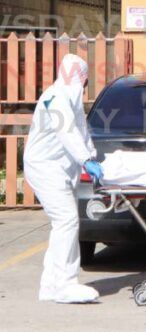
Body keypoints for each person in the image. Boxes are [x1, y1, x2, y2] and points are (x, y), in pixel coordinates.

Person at [23, 55, 103, 303]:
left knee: (62, 224)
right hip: (45, 168)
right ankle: (65, 285)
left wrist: (91, 157)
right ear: (79, 77)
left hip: (57, 170)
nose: (86, 85)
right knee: (67, 221)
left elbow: (81, 131)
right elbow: (67, 131)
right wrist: (85, 159)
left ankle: (49, 285)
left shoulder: (70, 100)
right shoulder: (56, 98)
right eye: (85, 80)